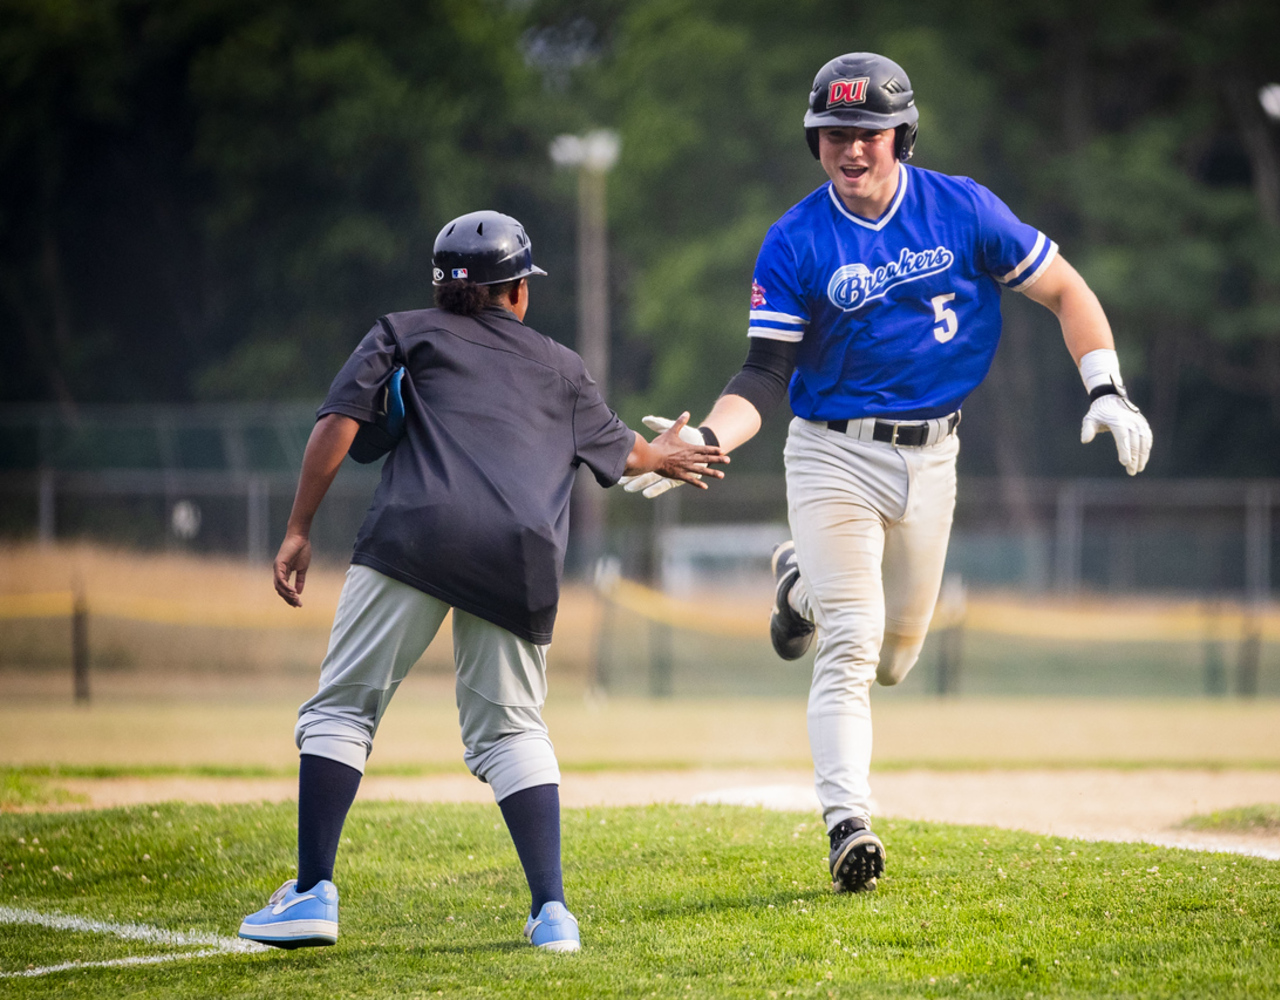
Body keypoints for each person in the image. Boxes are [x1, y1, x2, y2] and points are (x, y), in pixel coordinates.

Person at [622, 53, 1152, 891]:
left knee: (896, 659)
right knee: (853, 642)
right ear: (816, 142)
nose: (852, 149)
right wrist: (711, 441)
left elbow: (1065, 289)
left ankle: (798, 588)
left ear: (900, 134)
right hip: (833, 450)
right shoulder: (796, 238)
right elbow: (763, 373)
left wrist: (1107, 388)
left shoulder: (963, 207)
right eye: (835, 133)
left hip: (934, 454)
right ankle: (848, 827)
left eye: (868, 132)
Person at [237, 210, 727, 952]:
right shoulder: (562, 367)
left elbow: (340, 421)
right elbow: (622, 451)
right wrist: (662, 455)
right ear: (519, 292)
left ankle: (311, 895)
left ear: (442, 291)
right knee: (511, 730)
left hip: (417, 530)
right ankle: (553, 913)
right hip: (520, 551)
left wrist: (300, 527)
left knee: (341, 711)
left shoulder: (406, 331)